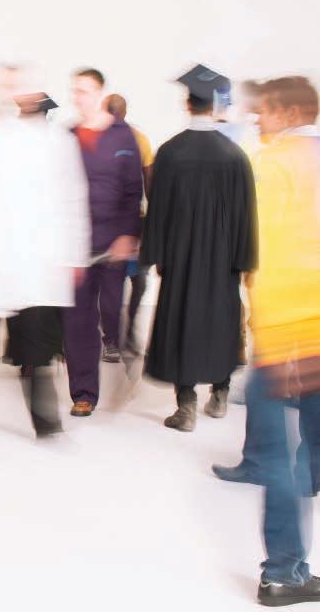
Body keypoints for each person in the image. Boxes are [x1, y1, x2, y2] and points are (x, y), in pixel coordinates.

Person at [0, 70, 90, 435]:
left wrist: (72, 256)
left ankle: (46, 421)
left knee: (36, 345)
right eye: (6, 85)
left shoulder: (55, 142)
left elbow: (72, 199)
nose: (14, 93)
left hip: (33, 261)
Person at [139, 65, 257, 431]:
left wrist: (156, 256)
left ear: (187, 104)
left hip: (181, 258)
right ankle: (219, 395)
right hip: (223, 261)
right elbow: (246, 215)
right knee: (221, 321)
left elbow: (157, 209)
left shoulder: (171, 152)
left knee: (183, 323)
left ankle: (186, 407)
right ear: (214, 106)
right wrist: (243, 261)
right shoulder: (234, 155)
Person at [241, 76, 320, 606]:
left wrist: (269, 332)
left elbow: (263, 256)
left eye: (266, 111)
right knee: (307, 453)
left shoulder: (272, 164)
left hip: (288, 336)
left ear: (291, 113)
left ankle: (283, 573)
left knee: (278, 459)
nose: (258, 119)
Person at [63, 68, 143, 416]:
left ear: (99, 93)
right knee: (78, 321)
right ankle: (84, 394)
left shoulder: (124, 136)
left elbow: (133, 190)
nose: (77, 97)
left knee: (111, 312)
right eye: (74, 91)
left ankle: (128, 363)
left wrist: (128, 235)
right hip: (76, 244)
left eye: (83, 91)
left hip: (112, 244)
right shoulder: (67, 136)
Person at [103, 93, 153, 356]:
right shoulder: (137, 138)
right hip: (124, 222)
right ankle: (119, 337)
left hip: (124, 222)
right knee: (129, 281)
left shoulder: (135, 139)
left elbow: (149, 183)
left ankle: (118, 338)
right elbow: (150, 184)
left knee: (126, 282)